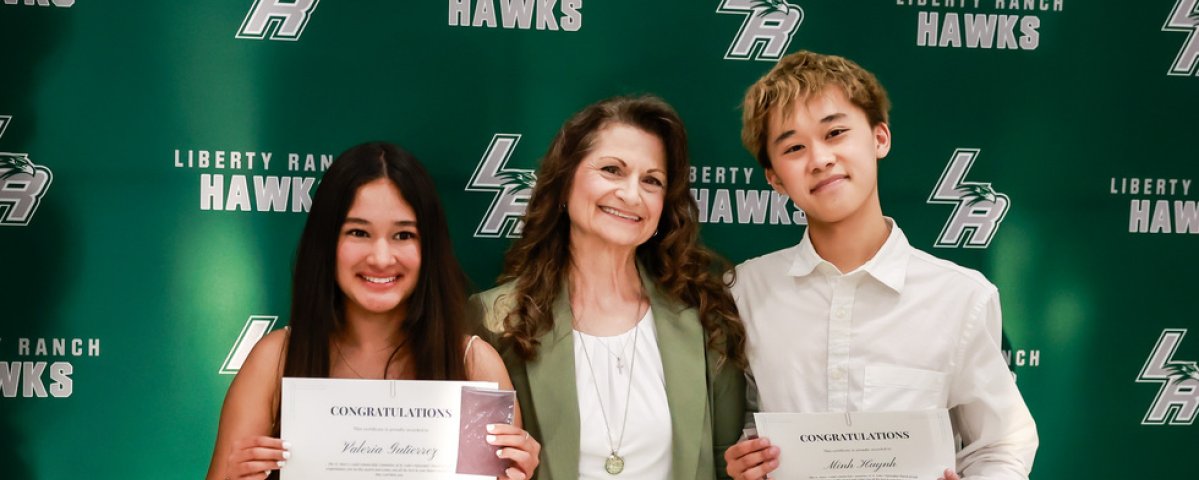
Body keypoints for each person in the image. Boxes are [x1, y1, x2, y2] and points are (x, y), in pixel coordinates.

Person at [721, 51, 1038, 480]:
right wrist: (744, 461)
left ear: (879, 138)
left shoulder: (962, 297)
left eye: (835, 132)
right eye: (794, 147)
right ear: (775, 177)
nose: (820, 159)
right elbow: (740, 426)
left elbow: (1001, 444)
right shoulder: (744, 291)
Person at [206, 142, 540, 480]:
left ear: (429, 248)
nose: (381, 258)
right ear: (326, 243)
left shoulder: (474, 364)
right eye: (358, 232)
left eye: (403, 235)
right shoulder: (274, 359)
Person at [470, 95, 747, 480]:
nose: (632, 194)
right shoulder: (495, 319)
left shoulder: (706, 318)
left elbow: (727, 466)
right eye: (612, 170)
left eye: (652, 181)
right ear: (565, 181)